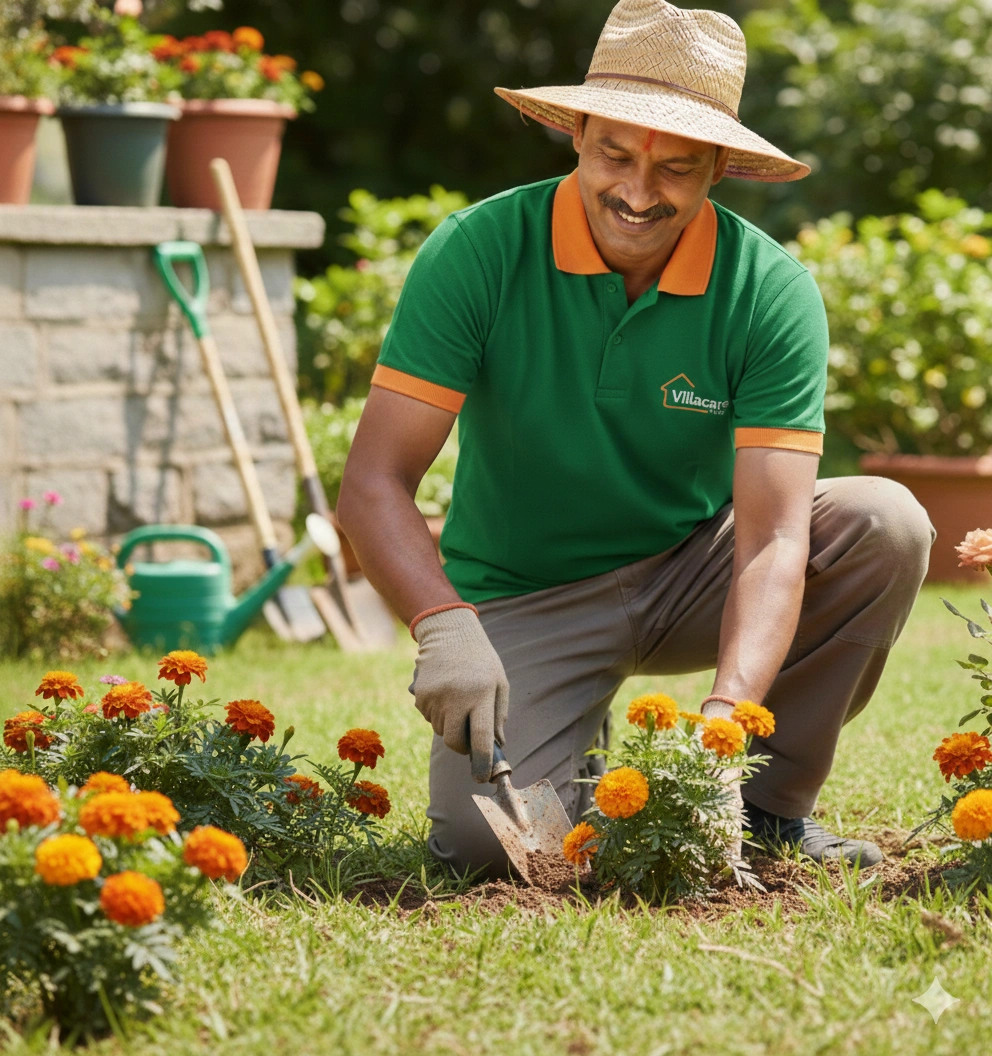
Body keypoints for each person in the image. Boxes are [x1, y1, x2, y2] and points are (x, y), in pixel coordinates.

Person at [337, 0, 934, 877]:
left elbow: (772, 538)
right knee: (502, 847)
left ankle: (767, 808)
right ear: (577, 131)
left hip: (695, 565)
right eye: (615, 153)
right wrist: (443, 626)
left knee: (887, 523)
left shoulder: (768, 291)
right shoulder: (480, 252)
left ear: (720, 166)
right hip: (523, 595)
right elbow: (374, 482)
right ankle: (570, 754)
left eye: (678, 168)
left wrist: (729, 718)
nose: (638, 191)